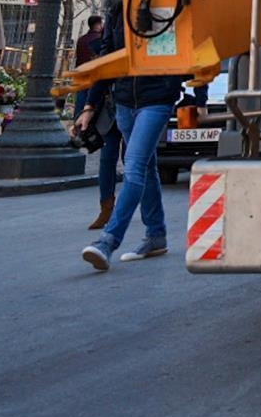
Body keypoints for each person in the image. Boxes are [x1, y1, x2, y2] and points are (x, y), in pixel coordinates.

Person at [78, 26, 185, 271]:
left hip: (157, 99)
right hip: (124, 102)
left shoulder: (172, 3)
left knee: (134, 167)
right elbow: (107, 61)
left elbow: (191, 48)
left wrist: (198, 98)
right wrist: (90, 106)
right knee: (146, 167)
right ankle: (156, 234)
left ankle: (108, 241)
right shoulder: (119, 10)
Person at [73, 14, 122, 231]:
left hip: (130, 104)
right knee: (111, 158)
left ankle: (119, 211)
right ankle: (107, 209)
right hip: (111, 106)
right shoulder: (112, 24)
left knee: (136, 162)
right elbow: (102, 73)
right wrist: (88, 108)